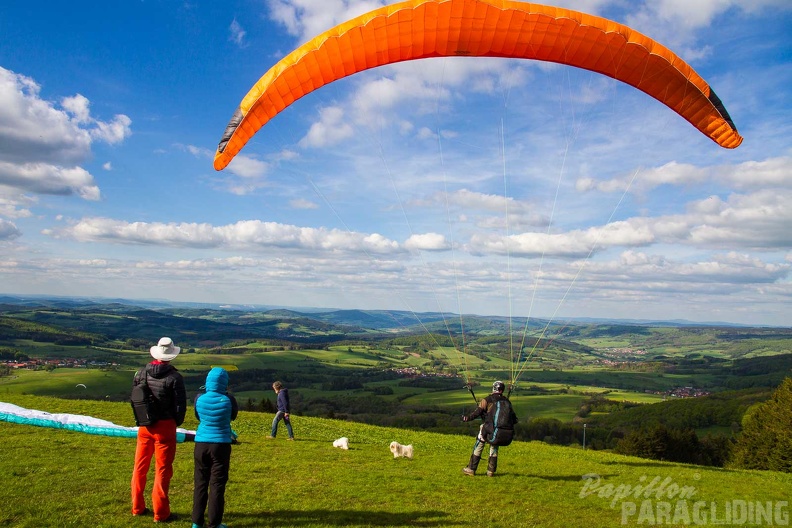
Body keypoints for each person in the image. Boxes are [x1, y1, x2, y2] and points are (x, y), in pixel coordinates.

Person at [131, 337, 187, 523]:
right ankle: (161, 513)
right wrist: (175, 422)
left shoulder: (141, 373)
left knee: (140, 467)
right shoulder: (174, 378)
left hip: (145, 426)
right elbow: (180, 407)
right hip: (165, 427)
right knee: (162, 470)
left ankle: (137, 507)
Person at [192, 367, 238, 528]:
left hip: (201, 443)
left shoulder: (199, 398)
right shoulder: (229, 400)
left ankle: (196, 522)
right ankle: (214, 523)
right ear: (224, 382)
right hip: (221, 444)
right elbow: (233, 416)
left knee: (200, 483)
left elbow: (198, 417)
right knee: (217, 485)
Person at [461, 380, 517, 477]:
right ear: (502, 390)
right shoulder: (507, 401)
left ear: (494, 388)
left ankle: (471, 468)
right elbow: (514, 419)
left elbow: (477, 412)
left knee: (479, 443)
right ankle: (490, 471)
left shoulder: (487, 400)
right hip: (498, 430)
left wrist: (467, 418)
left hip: (487, 428)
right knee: (494, 446)